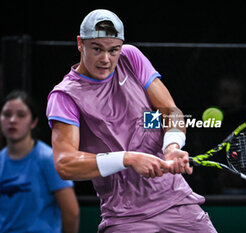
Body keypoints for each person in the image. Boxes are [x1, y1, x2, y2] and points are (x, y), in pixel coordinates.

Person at [46, 9, 217, 232]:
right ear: (80, 43)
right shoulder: (65, 96)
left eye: (113, 50)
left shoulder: (131, 57)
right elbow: (65, 163)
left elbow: (171, 112)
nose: (106, 59)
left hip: (177, 202)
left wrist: (172, 146)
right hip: (125, 218)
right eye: (97, 49)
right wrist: (128, 159)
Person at [0, 90, 79, 233]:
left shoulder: (47, 158)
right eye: (6, 114)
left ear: (33, 122)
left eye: (21, 115)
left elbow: (71, 213)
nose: (12, 120)